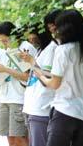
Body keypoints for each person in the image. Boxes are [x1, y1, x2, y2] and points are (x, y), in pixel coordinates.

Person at [35, 9, 83, 146]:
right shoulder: (81, 48)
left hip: (65, 111)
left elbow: (55, 84)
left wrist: (40, 75)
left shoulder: (63, 50)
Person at [22, 9, 62, 146]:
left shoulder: (53, 48)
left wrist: (32, 62)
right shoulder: (40, 50)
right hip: (31, 107)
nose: (30, 39)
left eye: (33, 35)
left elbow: (47, 79)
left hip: (42, 108)